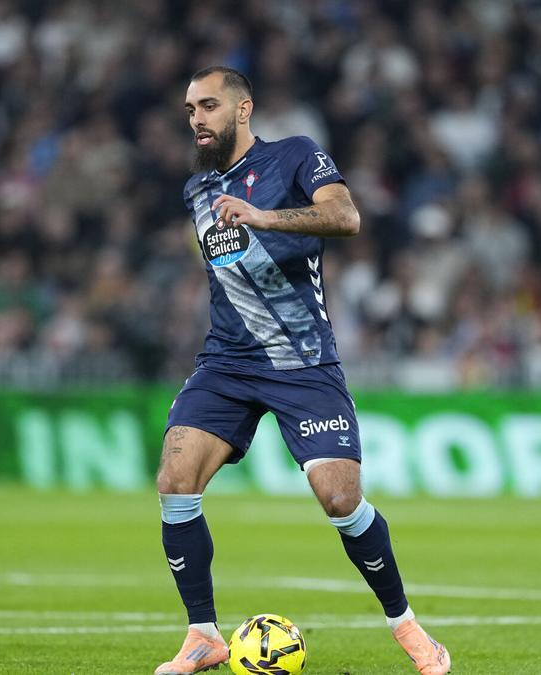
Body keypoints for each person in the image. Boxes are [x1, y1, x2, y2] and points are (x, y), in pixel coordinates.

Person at [153, 66, 451, 675]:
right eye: (189, 110)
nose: (196, 119)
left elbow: (346, 218)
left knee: (340, 498)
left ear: (243, 110)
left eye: (208, 106)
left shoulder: (295, 157)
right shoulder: (197, 191)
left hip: (302, 359)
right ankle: (203, 635)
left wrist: (264, 218)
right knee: (175, 481)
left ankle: (408, 627)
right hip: (227, 362)